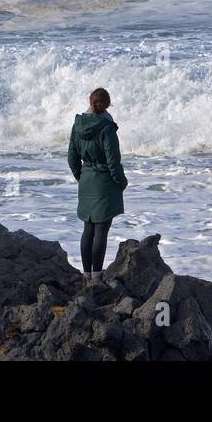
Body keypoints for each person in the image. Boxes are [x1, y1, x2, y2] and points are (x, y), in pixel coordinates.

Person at [67, 87, 127, 285]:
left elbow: (72, 157)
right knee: (101, 229)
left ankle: (86, 275)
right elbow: (113, 161)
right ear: (108, 104)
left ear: (90, 101)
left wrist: (81, 177)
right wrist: (121, 182)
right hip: (104, 182)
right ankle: (97, 277)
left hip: (86, 180)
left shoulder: (78, 125)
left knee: (88, 228)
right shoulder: (107, 127)